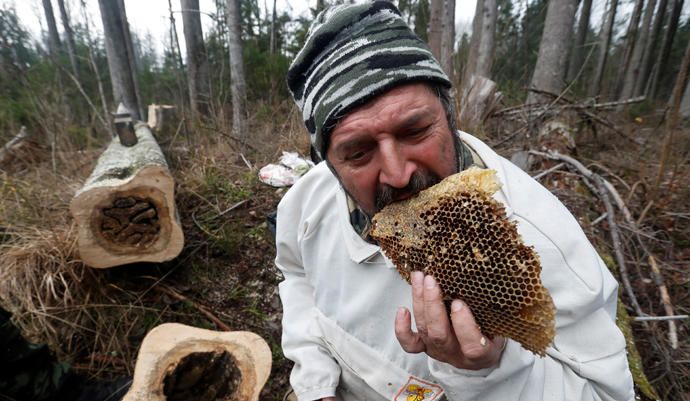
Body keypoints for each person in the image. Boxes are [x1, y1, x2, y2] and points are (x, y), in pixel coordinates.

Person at [275, 2, 635, 400]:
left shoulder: (538, 239)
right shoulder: (305, 203)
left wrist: (490, 373)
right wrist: (315, 382)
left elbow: (606, 392)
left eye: (414, 131)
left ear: (450, 115)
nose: (398, 174)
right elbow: (297, 276)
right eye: (358, 153)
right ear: (329, 163)